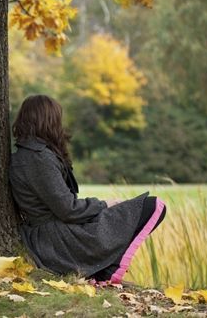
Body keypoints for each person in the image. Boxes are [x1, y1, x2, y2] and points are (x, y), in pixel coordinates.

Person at [9, 95, 166, 284]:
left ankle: (103, 269)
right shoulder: (38, 158)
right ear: (48, 120)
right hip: (56, 241)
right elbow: (68, 209)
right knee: (151, 206)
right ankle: (106, 269)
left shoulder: (29, 155)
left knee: (134, 210)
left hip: (54, 235)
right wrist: (104, 204)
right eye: (57, 119)